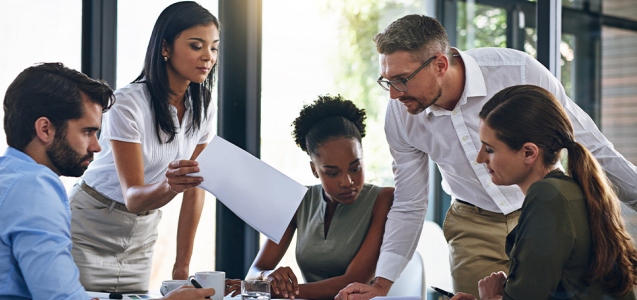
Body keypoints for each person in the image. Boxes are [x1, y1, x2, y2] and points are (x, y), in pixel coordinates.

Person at [336, 14, 637, 300]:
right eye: (387, 80)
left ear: (440, 64)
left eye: (402, 79)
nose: (393, 94)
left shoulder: (518, 71)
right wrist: (382, 283)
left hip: (542, 211)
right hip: (473, 226)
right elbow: (409, 201)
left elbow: (591, 146)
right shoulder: (401, 115)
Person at [0, 62, 215, 300]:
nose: (96, 146)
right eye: (87, 132)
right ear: (45, 129)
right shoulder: (35, 189)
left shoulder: (7, 176)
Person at [68, 1, 220, 292]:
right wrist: (171, 185)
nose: (208, 57)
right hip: (90, 225)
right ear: (165, 48)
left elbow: (195, 187)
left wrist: (182, 266)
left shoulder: (204, 104)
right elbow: (134, 197)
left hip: (142, 233)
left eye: (213, 47)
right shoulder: (128, 103)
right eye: (196, 45)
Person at [448, 84, 637, 300]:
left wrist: (491, 297)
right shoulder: (570, 190)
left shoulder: (548, 196)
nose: (480, 158)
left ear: (529, 152)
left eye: (489, 149)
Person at [244, 95, 394, 300]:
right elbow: (254, 273)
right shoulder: (298, 200)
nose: (347, 181)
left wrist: (276, 291)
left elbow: (354, 282)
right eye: (333, 173)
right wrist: (267, 276)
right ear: (314, 170)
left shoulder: (383, 199)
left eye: (355, 168)